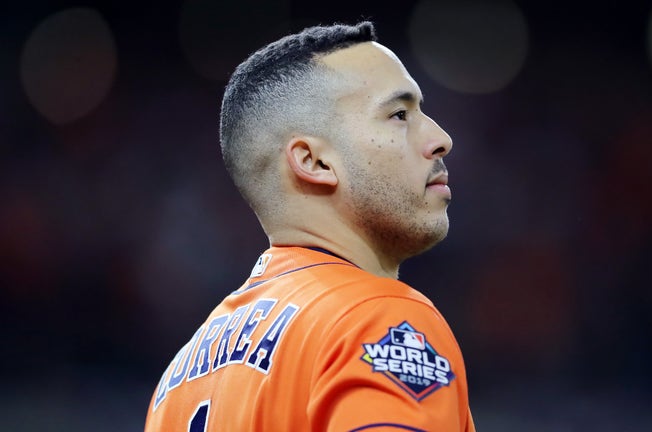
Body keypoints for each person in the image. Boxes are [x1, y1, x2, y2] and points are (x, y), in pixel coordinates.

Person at [145, 21, 475, 431]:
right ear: (314, 162)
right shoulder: (376, 319)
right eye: (399, 114)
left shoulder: (178, 380)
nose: (440, 138)